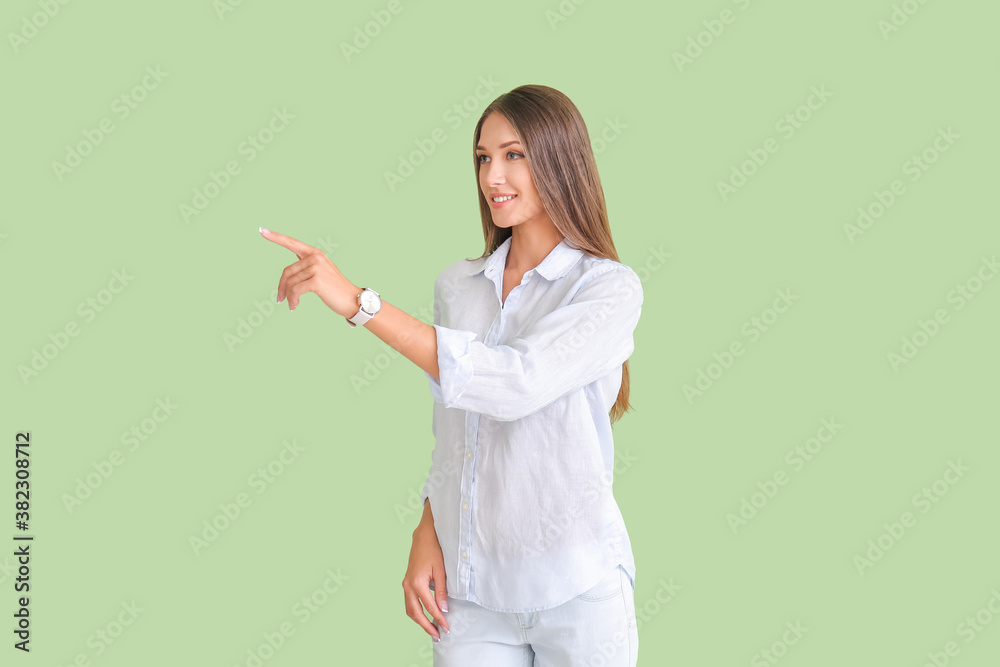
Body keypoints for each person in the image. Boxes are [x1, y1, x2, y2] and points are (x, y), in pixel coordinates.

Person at [260, 84, 643, 666]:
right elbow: (457, 435)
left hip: (580, 589)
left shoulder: (608, 289)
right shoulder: (457, 287)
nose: (493, 175)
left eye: (514, 154)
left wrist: (359, 303)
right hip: (471, 594)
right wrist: (426, 530)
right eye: (483, 158)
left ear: (561, 160)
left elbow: (516, 383)